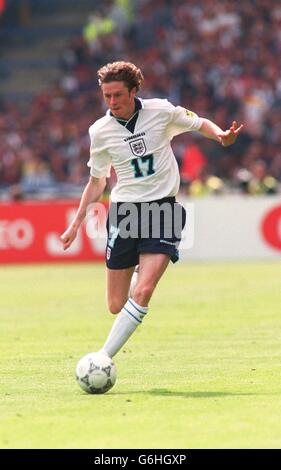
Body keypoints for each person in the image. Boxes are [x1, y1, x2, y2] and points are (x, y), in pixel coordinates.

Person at [60, 61, 243, 358]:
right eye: (107, 96)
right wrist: (76, 223)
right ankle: (136, 273)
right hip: (124, 214)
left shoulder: (161, 111)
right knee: (115, 304)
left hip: (163, 212)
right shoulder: (100, 132)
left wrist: (221, 134)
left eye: (118, 95)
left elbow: (199, 123)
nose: (112, 102)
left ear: (133, 91)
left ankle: (102, 357)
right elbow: (97, 182)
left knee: (143, 293)